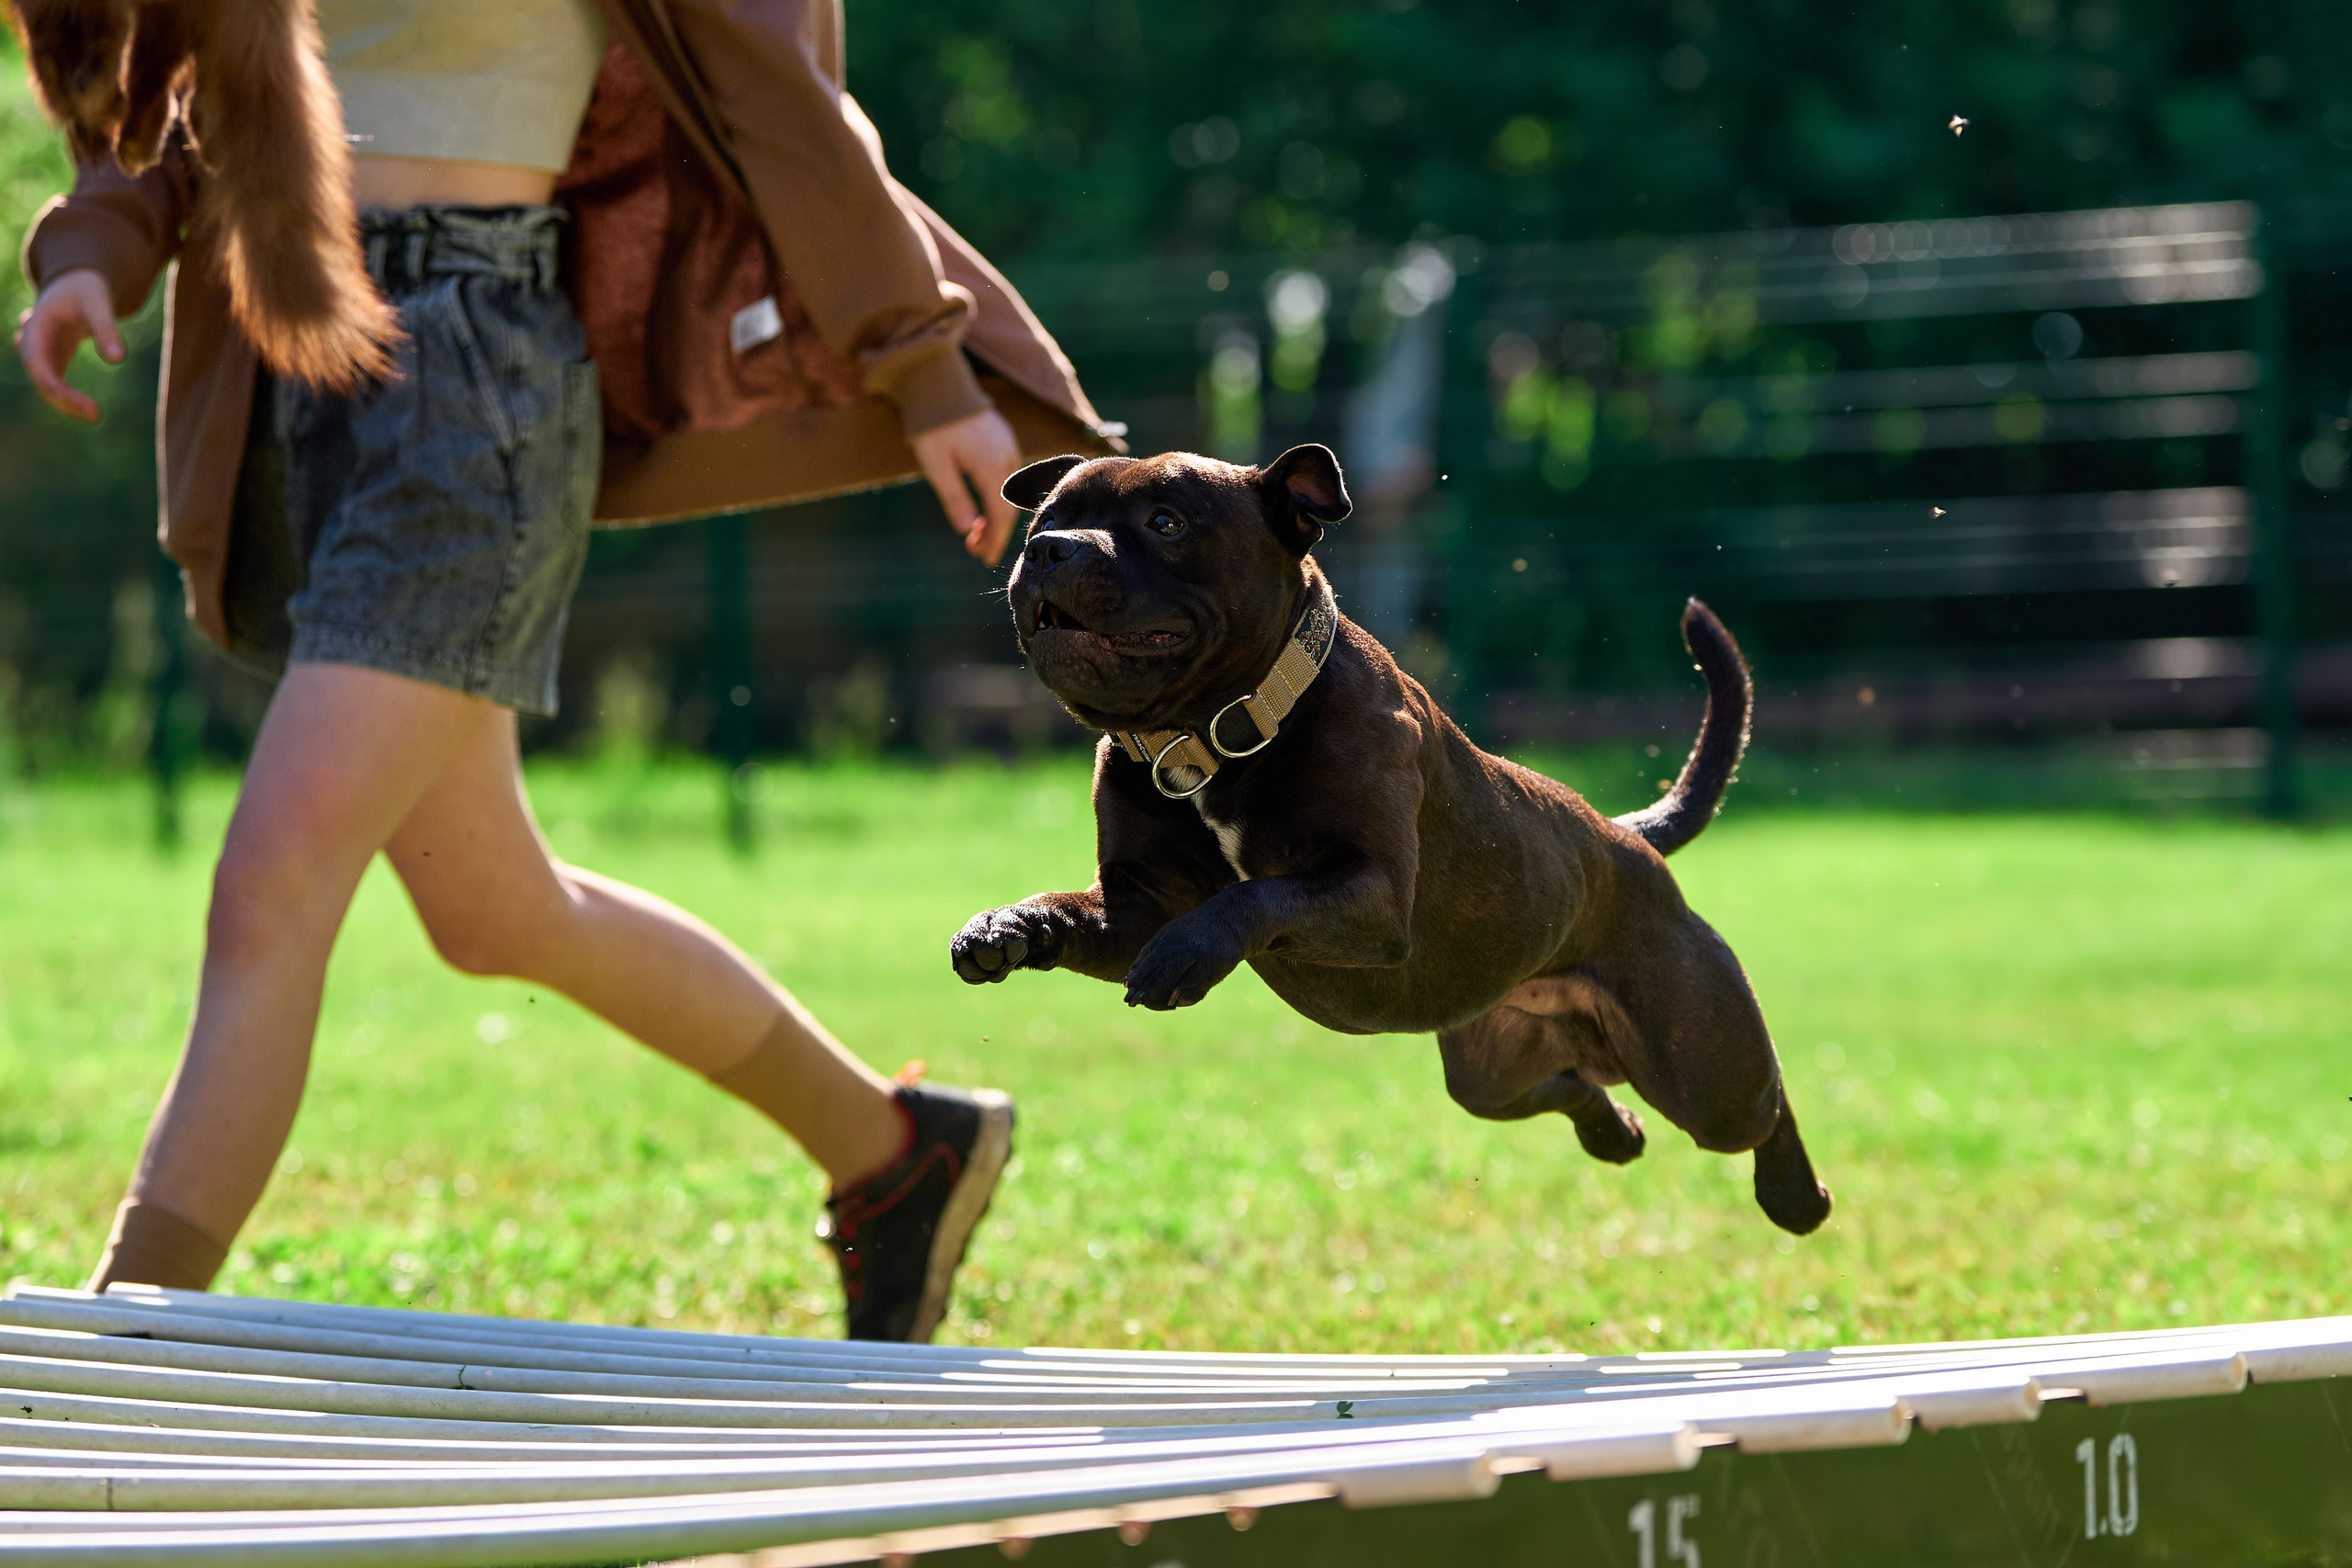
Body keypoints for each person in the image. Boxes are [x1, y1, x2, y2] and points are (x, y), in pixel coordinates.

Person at [12, 0, 1117, 1343]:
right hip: (297, 358)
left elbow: (773, 90)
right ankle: (896, 1155)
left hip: (471, 371)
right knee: (495, 910)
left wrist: (925, 361)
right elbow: (166, 84)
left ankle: (133, 1333)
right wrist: (89, 252)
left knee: (272, 883)